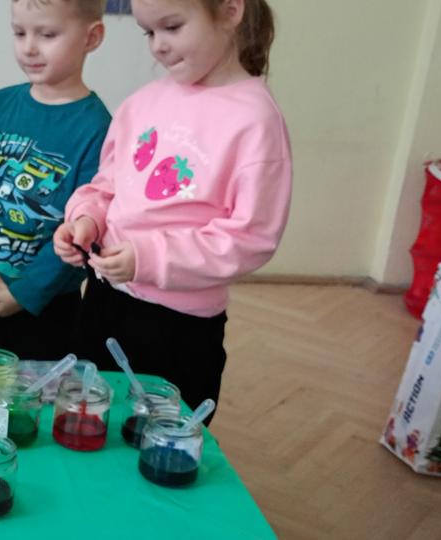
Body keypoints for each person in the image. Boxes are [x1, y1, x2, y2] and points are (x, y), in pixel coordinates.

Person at [54, 0, 291, 424]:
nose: (158, 46)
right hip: (104, 300)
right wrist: (86, 219)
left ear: (230, 10)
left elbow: (249, 238)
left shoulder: (255, 121)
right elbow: (108, 184)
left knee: (160, 442)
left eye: (172, 27)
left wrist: (148, 258)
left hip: (178, 326)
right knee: (89, 424)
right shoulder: (142, 102)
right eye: (149, 32)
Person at [0, 0, 112, 363]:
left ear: (92, 38)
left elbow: (83, 228)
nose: (28, 47)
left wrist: (25, 293)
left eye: (47, 34)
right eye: (19, 32)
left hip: (48, 303)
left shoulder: (98, 129)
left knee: (37, 395)